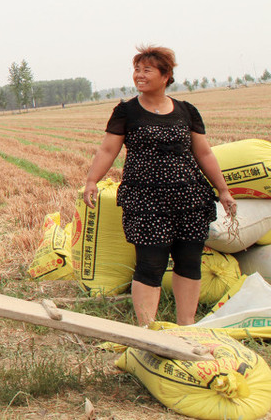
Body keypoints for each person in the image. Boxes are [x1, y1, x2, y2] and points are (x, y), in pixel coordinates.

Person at [83, 45, 237, 327]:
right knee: (150, 265)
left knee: (189, 262)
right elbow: (108, 150)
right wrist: (92, 180)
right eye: (136, 70)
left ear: (166, 76)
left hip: (189, 198)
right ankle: (147, 329)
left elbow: (204, 154)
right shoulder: (127, 112)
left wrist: (223, 190)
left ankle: (186, 326)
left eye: (147, 70)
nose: (139, 75)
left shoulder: (186, 111)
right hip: (146, 201)